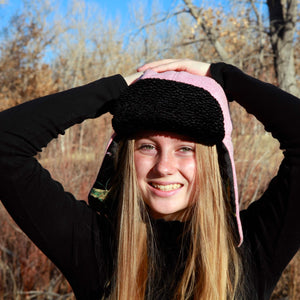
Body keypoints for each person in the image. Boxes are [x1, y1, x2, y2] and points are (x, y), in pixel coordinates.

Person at [0, 58, 299, 300]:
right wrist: (119, 89)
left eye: (185, 149)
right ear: (125, 158)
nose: (164, 167)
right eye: (147, 147)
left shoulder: (250, 251)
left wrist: (222, 76)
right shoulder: (94, 246)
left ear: (213, 163)